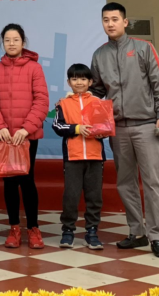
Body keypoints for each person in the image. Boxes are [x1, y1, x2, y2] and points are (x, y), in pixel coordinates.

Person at [92, 2, 159, 259]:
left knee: (153, 183)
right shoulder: (99, 55)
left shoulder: (143, 48)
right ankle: (137, 232)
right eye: (106, 20)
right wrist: (81, 100)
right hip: (118, 129)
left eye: (115, 19)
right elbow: (97, 90)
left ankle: (157, 237)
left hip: (146, 126)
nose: (110, 24)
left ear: (125, 22)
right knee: (125, 183)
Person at [0, 23, 49, 250]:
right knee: (9, 182)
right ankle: (14, 228)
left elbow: (41, 100)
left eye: (16, 40)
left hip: (26, 137)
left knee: (27, 181)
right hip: (5, 136)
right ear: (2, 43)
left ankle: (33, 228)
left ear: (23, 42)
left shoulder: (35, 68)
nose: (11, 43)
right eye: (7, 40)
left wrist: (26, 129)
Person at [52, 64, 105, 250]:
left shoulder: (98, 102)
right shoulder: (63, 104)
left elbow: (105, 126)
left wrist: (102, 132)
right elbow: (57, 126)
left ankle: (92, 231)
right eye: (74, 79)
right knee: (71, 196)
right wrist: (76, 128)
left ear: (90, 82)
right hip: (72, 157)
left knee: (94, 197)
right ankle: (68, 231)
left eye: (83, 79)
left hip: (95, 157)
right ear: (68, 82)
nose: (79, 82)